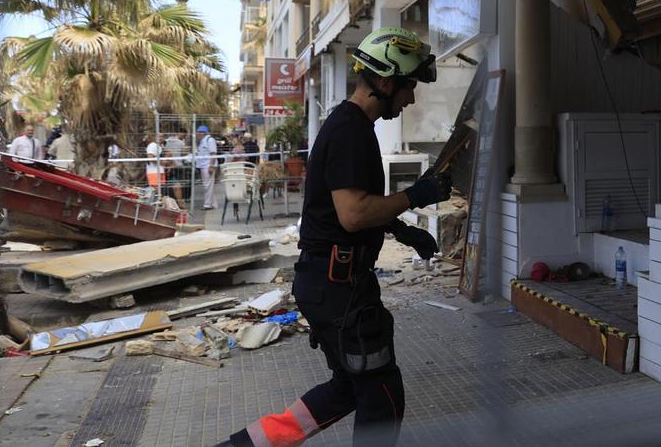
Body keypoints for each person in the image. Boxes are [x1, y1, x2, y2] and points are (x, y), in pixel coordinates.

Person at [219, 27, 449, 447]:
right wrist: (416, 195)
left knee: (348, 388)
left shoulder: (353, 127)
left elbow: (350, 205)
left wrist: (402, 229)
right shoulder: (350, 130)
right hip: (339, 290)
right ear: (385, 80)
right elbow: (353, 213)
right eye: (408, 85)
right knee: (382, 393)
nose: (411, 98)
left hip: (331, 284)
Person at [195, 125, 218, 210]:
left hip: (208, 166)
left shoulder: (210, 140)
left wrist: (211, 166)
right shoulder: (202, 141)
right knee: (208, 185)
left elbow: (213, 153)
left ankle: (207, 205)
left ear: (202, 133)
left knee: (207, 186)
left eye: (198, 133)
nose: (197, 135)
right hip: (203, 166)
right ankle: (213, 204)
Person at [164, 133, 188, 208]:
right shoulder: (157, 150)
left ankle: (180, 204)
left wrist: (170, 166)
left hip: (170, 173)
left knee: (177, 186)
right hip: (158, 174)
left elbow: (173, 163)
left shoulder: (168, 152)